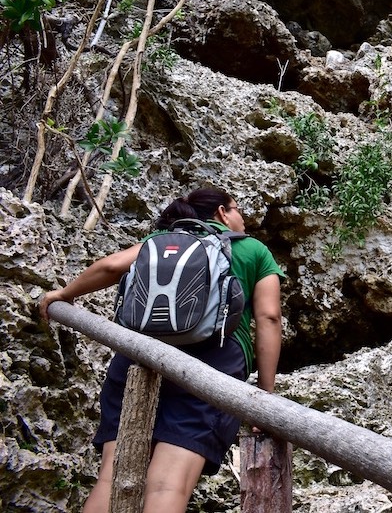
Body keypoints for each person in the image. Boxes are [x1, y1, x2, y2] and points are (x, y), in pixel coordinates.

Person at [40, 187, 284, 513]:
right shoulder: (253, 250)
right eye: (238, 210)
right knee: (168, 484)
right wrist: (263, 398)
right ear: (223, 213)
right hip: (213, 367)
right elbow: (269, 317)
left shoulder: (163, 239)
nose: (242, 219)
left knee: (110, 480)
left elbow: (112, 267)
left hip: (138, 355)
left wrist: (64, 294)